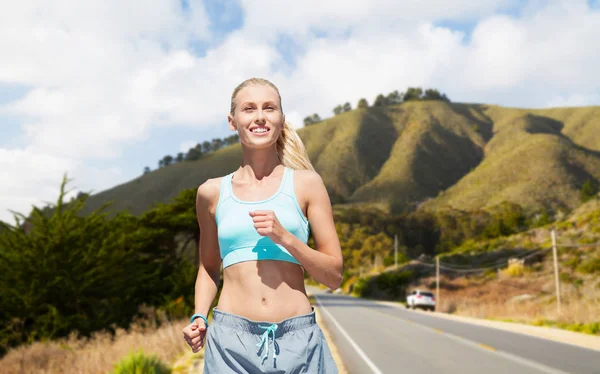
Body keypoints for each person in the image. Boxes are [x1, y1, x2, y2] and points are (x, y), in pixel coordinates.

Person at [182, 77, 343, 373]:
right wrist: (199, 317)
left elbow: (334, 276)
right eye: (249, 109)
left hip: (300, 343)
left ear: (281, 119)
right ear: (233, 121)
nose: (259, 116)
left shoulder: (308, 185)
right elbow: (208, 268)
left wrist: (287, 238)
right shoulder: (211, 193)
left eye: (269, 108)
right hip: (230, 346)